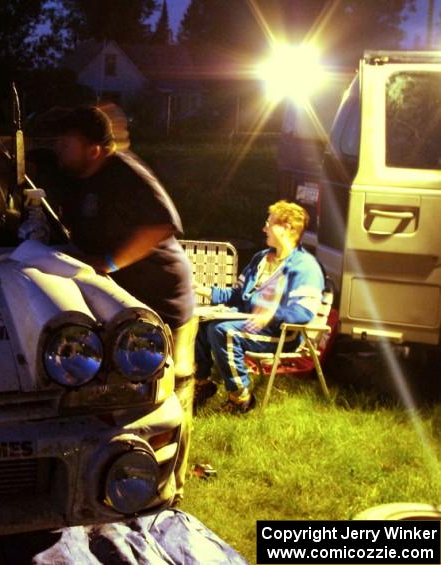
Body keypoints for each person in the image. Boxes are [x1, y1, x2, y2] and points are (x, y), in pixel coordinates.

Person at [43, 104, 195, 503]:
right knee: (126, 395)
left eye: (65, 140)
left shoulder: (125, 172)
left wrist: (108, 264)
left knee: (169, 391)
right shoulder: (77, 179)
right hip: (121, 305)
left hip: (163, 298)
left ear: (93, 148)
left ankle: (170, 487)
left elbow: (163, 223)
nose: (58, 147)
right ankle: (121, 477)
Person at [193, 200, 325, 413]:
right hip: (250, 321)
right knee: (202, 323)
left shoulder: (305, 266)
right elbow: (237, 294)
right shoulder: (261, 259)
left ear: (287, 228)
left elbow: (303, 312)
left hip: (282, 333)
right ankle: (203, 383)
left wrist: (271, 315)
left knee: (222, 331)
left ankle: (240, 397)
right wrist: (204, 290)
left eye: (269, 223)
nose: (264, 228)